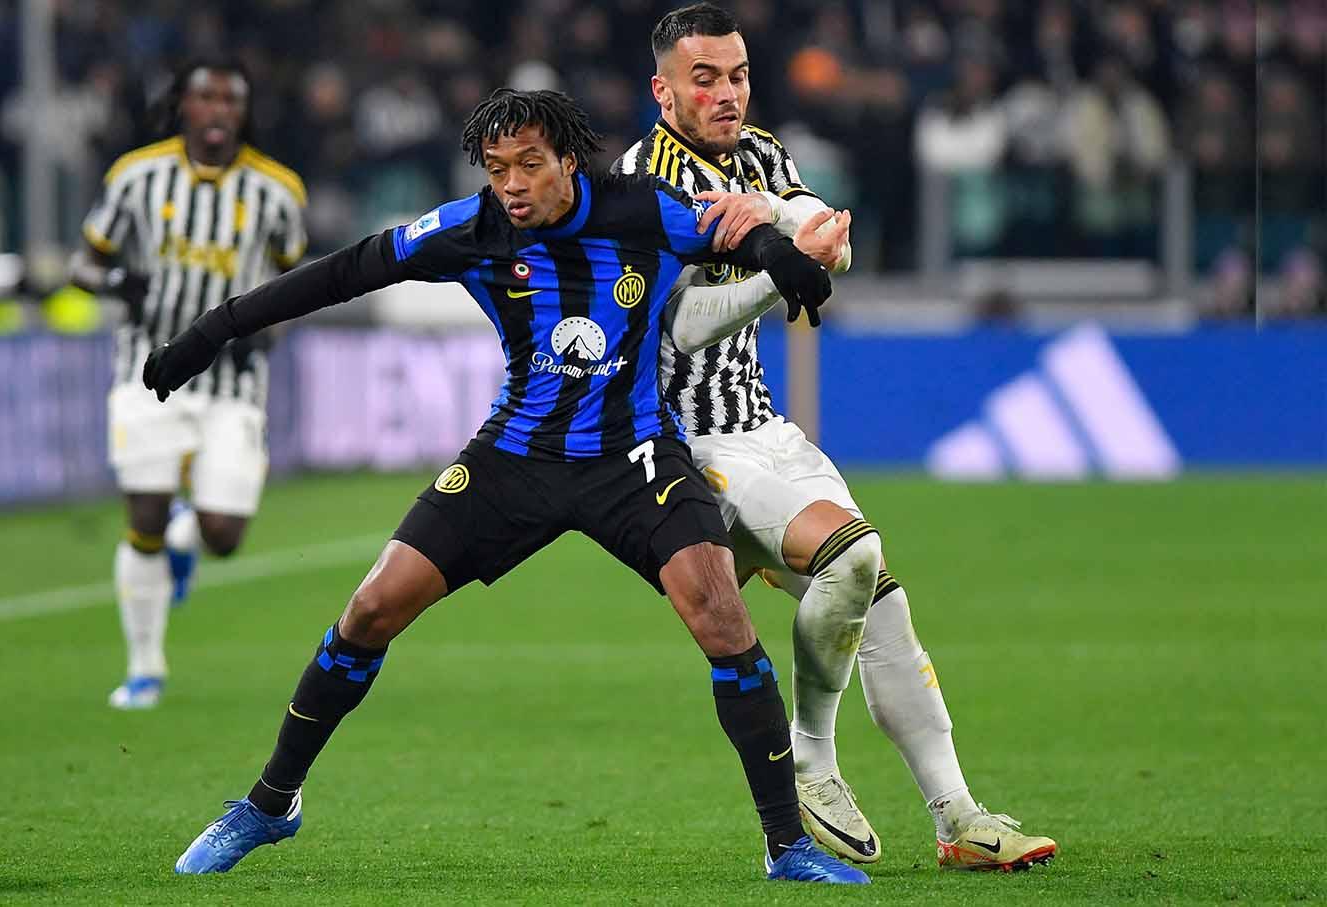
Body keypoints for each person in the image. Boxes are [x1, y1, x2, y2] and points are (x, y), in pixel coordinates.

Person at [145, 88, 867, 885]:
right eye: (497, 170)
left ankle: (786, 845)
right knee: (371, 607)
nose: (512, 185)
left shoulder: (638, 207)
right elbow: (346, 272)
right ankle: (270, 803)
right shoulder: (471, 229)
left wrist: (780, 255)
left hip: (631, 456)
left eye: (529, 165)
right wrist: (212, 331)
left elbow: (729, 228)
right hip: (513, 458)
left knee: (720, 614)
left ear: (568, 160)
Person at [619, 3, 1056, 871]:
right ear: (662, 88)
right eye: (704, 78)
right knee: (852, 559)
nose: (727, 92)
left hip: (763, 426)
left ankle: (958, 817)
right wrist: (776, 271)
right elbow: (677, 330)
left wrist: (810, 235)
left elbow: (825, 242)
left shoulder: (761, 152)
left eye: (737, 74)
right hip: (690, 444)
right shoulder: (641, 181)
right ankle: (812, 755)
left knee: (880, 598)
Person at [69, 59, 307, 710]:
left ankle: (187, 536)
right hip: (146, 368)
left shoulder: (277, 190)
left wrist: (272, 327)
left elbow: (295, 279)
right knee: (141, 511)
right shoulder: (135, 176)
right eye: (206, 97)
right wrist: (118, 283)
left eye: (231, 99)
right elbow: (82, 264)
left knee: (224, 534)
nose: (219, 109)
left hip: (233, 375)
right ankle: (144, 668)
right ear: (183, 107)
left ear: (244, 112)